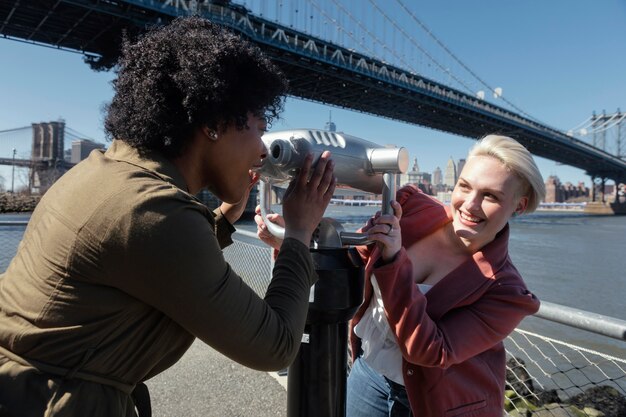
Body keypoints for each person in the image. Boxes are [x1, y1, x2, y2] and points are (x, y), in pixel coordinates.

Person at [0, 17, 335, 416]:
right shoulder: (155, 213)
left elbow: (155, 264)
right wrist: (299, 231)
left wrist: (227, 215)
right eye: (258, 129)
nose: (263, 151)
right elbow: (275, 345)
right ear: (212, 123)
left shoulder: (101, 171)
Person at [256, 134, 544, 417]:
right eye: (464, 186)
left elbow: (432, 351)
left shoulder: (508, 292)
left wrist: (395, 260)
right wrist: (294, 241)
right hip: (368, 378)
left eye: (490, 195)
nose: (469, 204)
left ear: (519, 205)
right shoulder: (411, 208)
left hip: (438, 404)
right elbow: (349, 262)